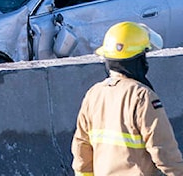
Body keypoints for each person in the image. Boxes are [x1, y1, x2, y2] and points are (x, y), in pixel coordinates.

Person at [72, 21, 183, 176]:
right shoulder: (142, 96)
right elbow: (164, 152)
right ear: (138, 60)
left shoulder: (94, 94)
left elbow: (81, 150)